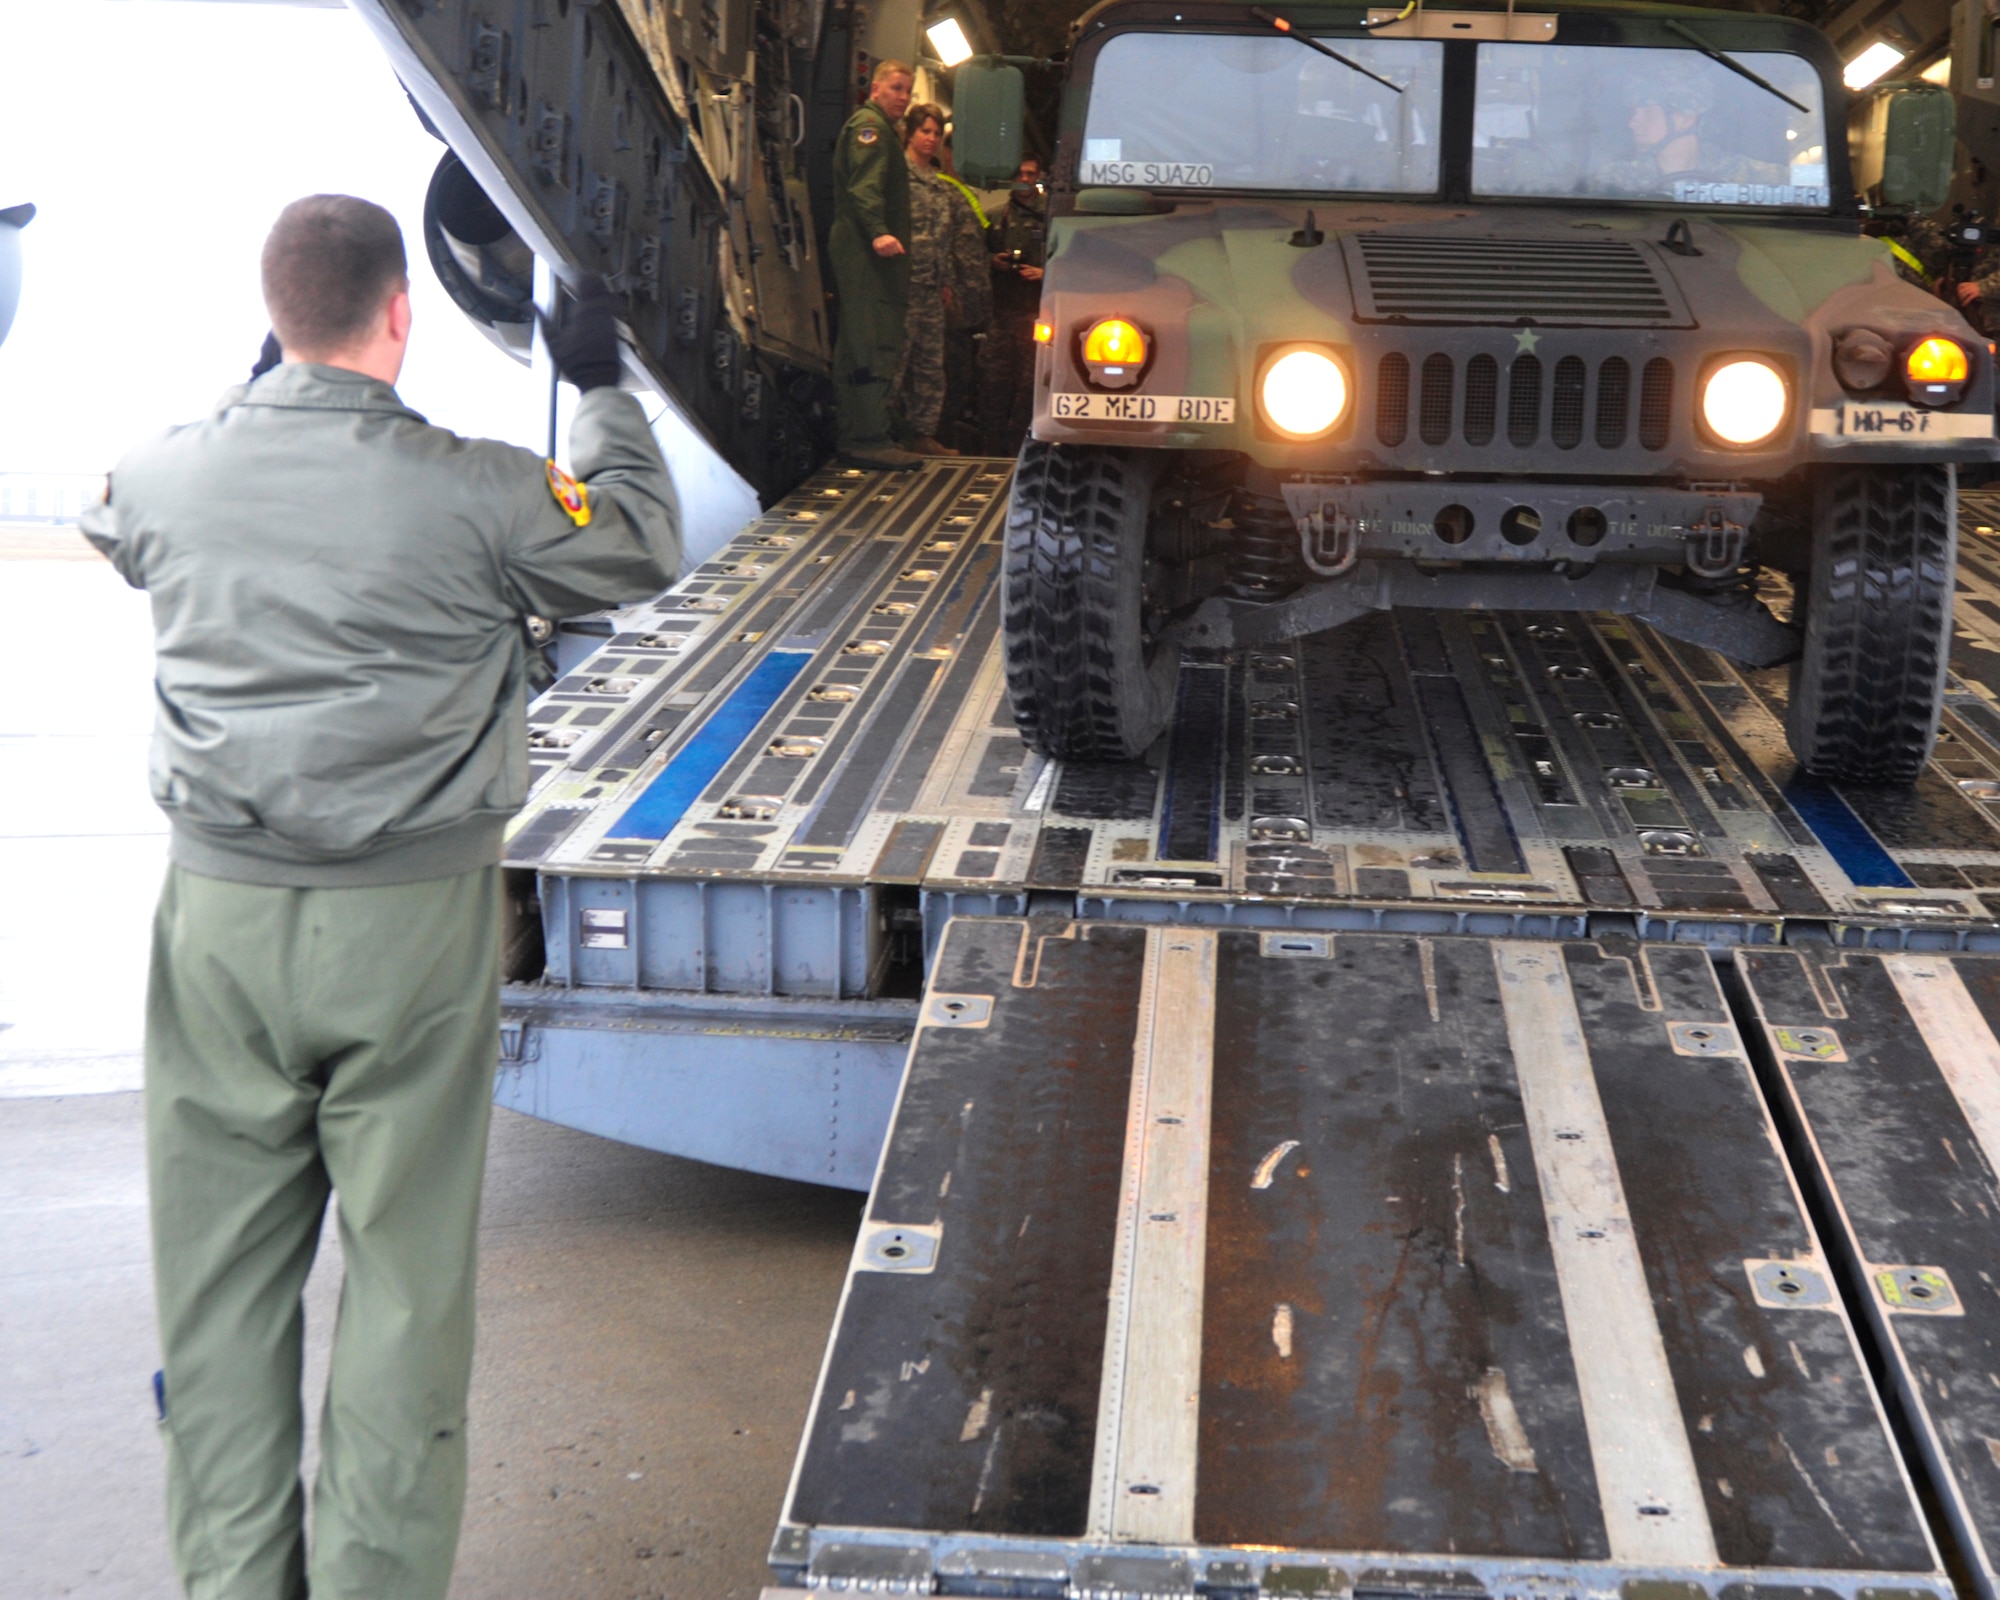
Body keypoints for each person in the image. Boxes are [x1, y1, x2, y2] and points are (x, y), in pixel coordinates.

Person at [80, 194, 681, 1600]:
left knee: (220, 1299)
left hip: (218, 928)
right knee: (405, 1290)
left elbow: (126, 526)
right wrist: (600, 387)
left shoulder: (163, 479)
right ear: (401, 314)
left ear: (277, 313)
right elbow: (641, 542)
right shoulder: (476, 490)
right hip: (408, 931)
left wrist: (258, 401)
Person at [830, 59, 919, 470]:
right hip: (866, 252)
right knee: (870, 338)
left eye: (908, 90)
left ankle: (860, 429)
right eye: (897, 88)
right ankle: (866, 436)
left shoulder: (878, 128)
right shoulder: (873, 130)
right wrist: (878, 231)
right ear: (876, 88)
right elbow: (864, 187)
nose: (903, 97)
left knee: (859, 338)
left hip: (862, 250)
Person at [895, 103, 991, 457]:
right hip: (903, 287)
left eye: (937, 134)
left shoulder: (940, 187)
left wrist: (948, 284)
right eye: (925, 132)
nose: (931, 139)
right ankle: (886, 433)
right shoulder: (896, 178)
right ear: (910, 133)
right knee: (896, 364)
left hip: (932, 291)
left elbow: (945, 241)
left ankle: (922, 434)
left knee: (929, 366)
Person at [1598, 66, 1785, 197]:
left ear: (1686, 119)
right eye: (1633, 112)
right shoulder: (1616, 178)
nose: (1633, 122)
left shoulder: (1748, 175)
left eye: (1648, 111)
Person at [976, 155, 1048, 457]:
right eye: (1019, 173)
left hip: (1039, 317)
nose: (1025, 178)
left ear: (1039, 177)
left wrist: (1046, 273)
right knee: (993, 385)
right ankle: (989, 451)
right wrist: (992, 261)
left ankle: (1024, 451)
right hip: (1003, 316)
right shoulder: (993, 218)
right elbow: (972, 258)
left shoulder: (1054, 219)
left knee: (1031, 389)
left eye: (1031, 173)